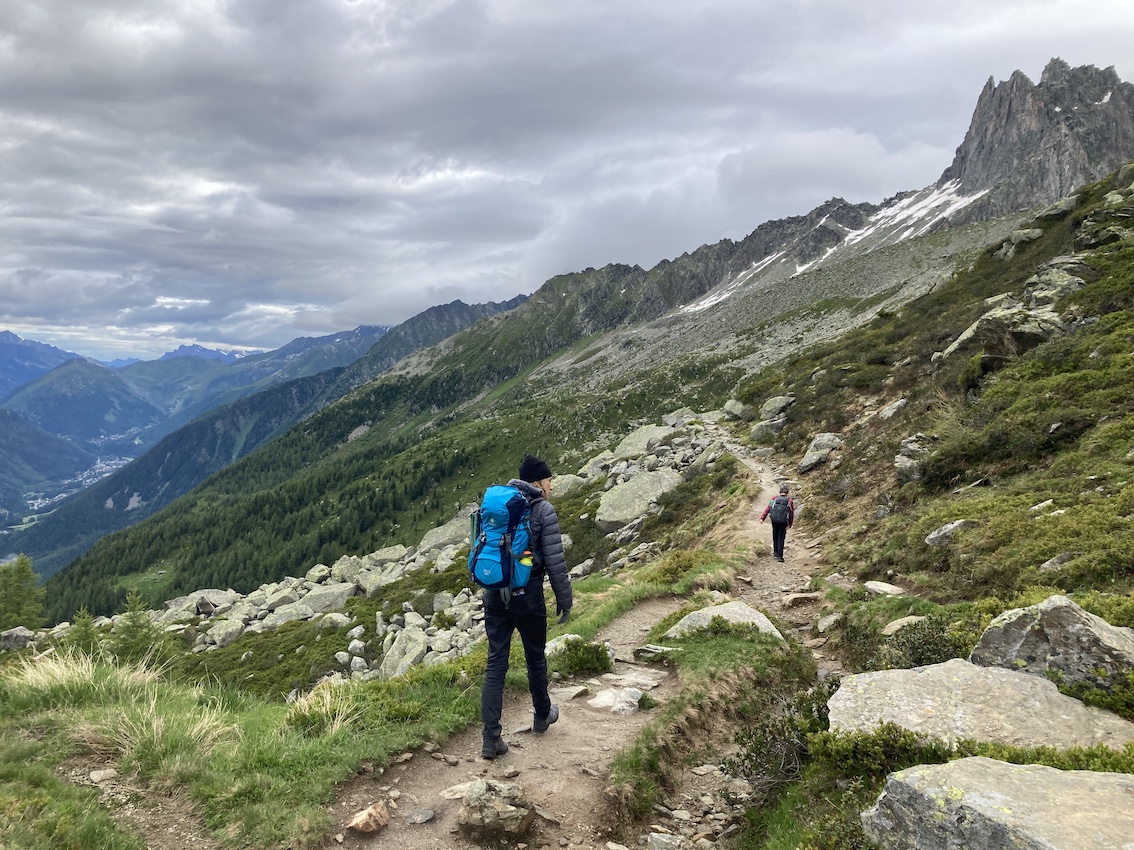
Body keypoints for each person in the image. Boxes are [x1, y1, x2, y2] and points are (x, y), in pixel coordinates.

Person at [480, 454, 573, 760]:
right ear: (538, 482)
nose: (551, 486)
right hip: (527, 594)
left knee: (496, 663)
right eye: (549, 480)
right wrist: (564, 600)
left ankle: (491, 738)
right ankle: (542, 715)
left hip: (495, 592)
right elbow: (555, 561)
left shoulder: (502, 505)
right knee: (535, 656)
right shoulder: (543, 509)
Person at [760, 484, 795, 562]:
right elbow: (791, 513)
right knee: (781, 537)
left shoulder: (774, 498)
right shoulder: (789, 501)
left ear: (780, 491)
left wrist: (762, 518)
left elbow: (768, 508)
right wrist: (790, 524)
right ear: (787, 492)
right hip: (784, 522)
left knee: (775, 535)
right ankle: (780, 556)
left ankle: (775, 553)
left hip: (774, 520)